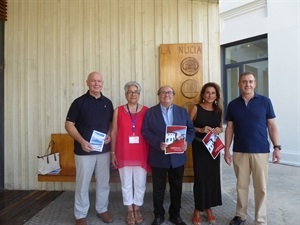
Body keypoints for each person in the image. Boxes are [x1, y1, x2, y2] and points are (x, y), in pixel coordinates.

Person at [224, 71, 281, 225]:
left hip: (260, 150)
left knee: (260, 187)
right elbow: (229, 128)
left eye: (250, 81)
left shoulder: (265, 102)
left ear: (255, 84)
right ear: (239, 84)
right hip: (240, 150)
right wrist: (226, 150)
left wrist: (277, 147)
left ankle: (260, 219)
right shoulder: (233, 105)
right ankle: (240, 215)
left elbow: (272, 125)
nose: (247, 84)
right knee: (241, 185)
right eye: (244, 81)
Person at [65, 71, 114, 225]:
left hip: (103, 151)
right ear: (87, 83)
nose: (96, 83)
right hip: (84, 151)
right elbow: (69, 125)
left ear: (102, 83)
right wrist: (81, 141)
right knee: (83, 183)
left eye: (99, 81)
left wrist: (109, 135)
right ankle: (80, 214)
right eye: (93, 81)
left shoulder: (108, 102)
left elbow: (111, 124)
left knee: (103, 182)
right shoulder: (79, 102)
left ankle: (102, 209)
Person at [141, 85, 195, 225]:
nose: (166, 95)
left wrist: (186, 143)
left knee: (176, 188)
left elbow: (190, 131)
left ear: (173, 95)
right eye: (163, 92)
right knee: (158, 189)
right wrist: (158, 143)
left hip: (177, 157)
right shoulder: (150, 112)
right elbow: (145, 131)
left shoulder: (182, 112)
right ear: (158, 95)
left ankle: (175, 215)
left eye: (169, 92)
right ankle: (158, 215)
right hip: (158, 156)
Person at [110, 81, 150, 225]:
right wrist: (113, 152)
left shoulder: (146, 110)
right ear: (126, 94)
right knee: (126, 182)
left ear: (139, 94)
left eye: (135, 92)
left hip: (141, 152)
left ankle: (137, 207)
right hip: (124, 152)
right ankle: (129, 209)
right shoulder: (118, 110)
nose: (133, 94)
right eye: (130, 92)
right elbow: (114, 132)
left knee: (140, 182)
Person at [188, 82, 223, 225]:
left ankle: (208, 208)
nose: (210, 95)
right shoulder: (196, 108)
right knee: (201, 178)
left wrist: (219, 130)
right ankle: (197, 209)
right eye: (207, 92)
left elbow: (220, 127)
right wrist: (201, 130)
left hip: (213, 147)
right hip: (200, 146)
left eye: (213, 93)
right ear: (203, 94)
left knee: (212, 177)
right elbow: (187, 126)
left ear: (216, 95)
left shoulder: (218, 110)